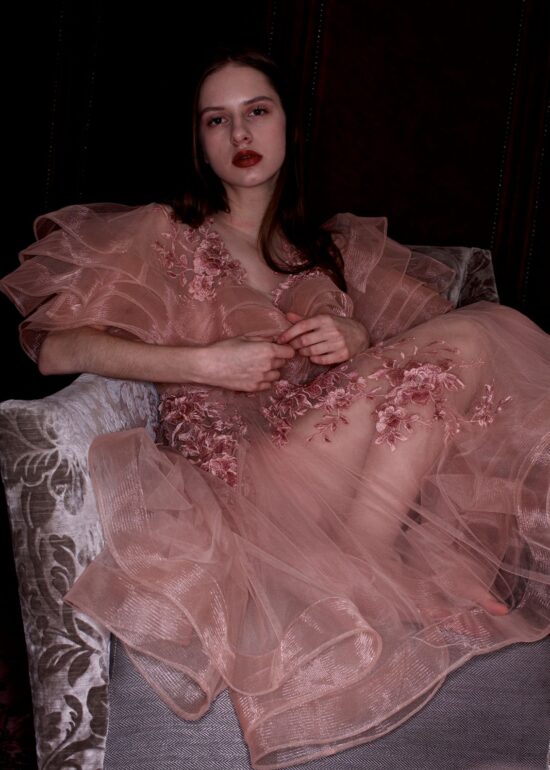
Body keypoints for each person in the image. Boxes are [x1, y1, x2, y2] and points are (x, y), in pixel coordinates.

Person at [1, 49, 549, 769]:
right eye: (217, 120)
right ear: (199, 142)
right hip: (244, 477)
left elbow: (427, 352)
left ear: (288, 125)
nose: (240, 134)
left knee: (464, 348)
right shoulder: (167, 233)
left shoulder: (329, 252)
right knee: (476, 336)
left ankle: (358, 564)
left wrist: (355, 337)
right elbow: (55, 349)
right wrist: (204, 362)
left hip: (329, 474)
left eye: (257, 111)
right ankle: (365, 569)